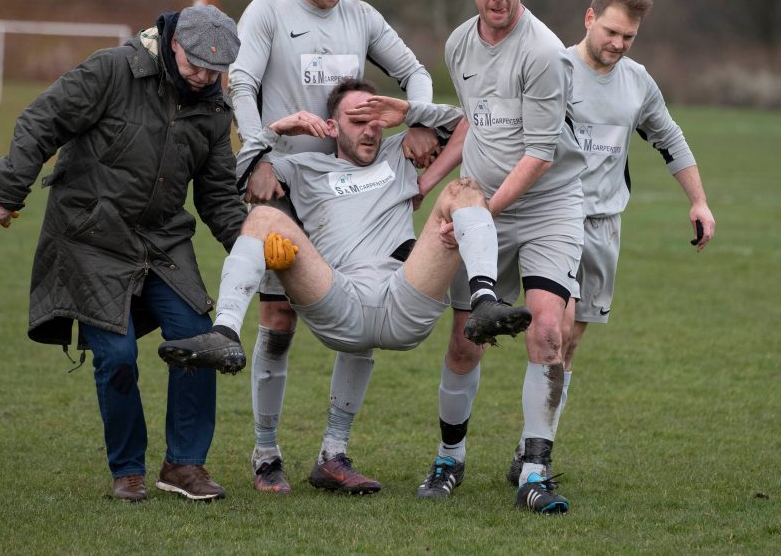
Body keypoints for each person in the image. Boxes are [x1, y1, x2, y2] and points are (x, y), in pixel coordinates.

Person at [159, 78, 532, 494]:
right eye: (358, 121)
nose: (371, 129)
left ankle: (483, 299)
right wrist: (277, 131)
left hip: (402, 297)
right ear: (332, 127)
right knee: (262, 218)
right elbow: (235, 177)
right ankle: (225, 332)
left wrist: (410, 115)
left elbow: (471, 124)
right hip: (339, 299)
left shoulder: (400, 153)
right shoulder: (300, 167)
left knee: (464, 190)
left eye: (376, 121)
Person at [0, 5, 247, 503]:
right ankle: (128, 469)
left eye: (216, 70)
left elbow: (219, 198)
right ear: (172, 44)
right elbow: (42, 120)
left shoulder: (214, 108)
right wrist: (8, 190)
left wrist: (253, 252)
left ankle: (184, 466)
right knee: (117, 356)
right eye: (196, 65)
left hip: (162, 240)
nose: (205, 78)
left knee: (198, 340)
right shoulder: (111, 70)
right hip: (90, 238)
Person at [228, 0, 440, 494]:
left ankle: (334, 453)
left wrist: (416, 119)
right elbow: (241, 82)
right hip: (290, 186)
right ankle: (266, 452)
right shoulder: (268, 11)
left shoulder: (362, 16)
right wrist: (258, 155)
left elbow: (414, 72)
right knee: (277, 318)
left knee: (367, 309)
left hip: (357, 189)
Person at [411, 0, 585, 513]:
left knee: (548, 331)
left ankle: (534, 471)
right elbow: (472, 123)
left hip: (547, 208)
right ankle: (448, 459)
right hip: (486, 208)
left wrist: (481, 214)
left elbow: (539, 154)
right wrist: (429, 181)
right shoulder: (459, 44)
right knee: (465, 343)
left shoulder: (543, 53)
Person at [557, 0, 715, 412]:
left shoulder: (638, 83)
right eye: (611, 31)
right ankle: (536, 455)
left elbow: (671, 140)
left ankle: (533, 448)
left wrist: (698, 201)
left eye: (629, 36)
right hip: (555, 218)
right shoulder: (554, 70)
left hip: (604, 225)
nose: (619, 43)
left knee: (570, 343)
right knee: (556, 329)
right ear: (589, 19)